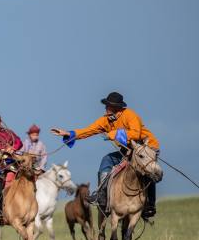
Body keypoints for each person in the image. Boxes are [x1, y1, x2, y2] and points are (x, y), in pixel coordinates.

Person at [50, 91, 160, 219]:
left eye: (108, 105)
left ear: (117, 108)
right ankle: (101, 195)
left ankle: (150, 204)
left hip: (147, 147)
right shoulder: (105, 120)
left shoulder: (130, 115)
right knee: (106, 160)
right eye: (106, 105)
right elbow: (89, 130)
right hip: (129, 151)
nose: (106, 107)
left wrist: (114, 134)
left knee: (147, 170)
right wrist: (68, 134)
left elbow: (135, 133)